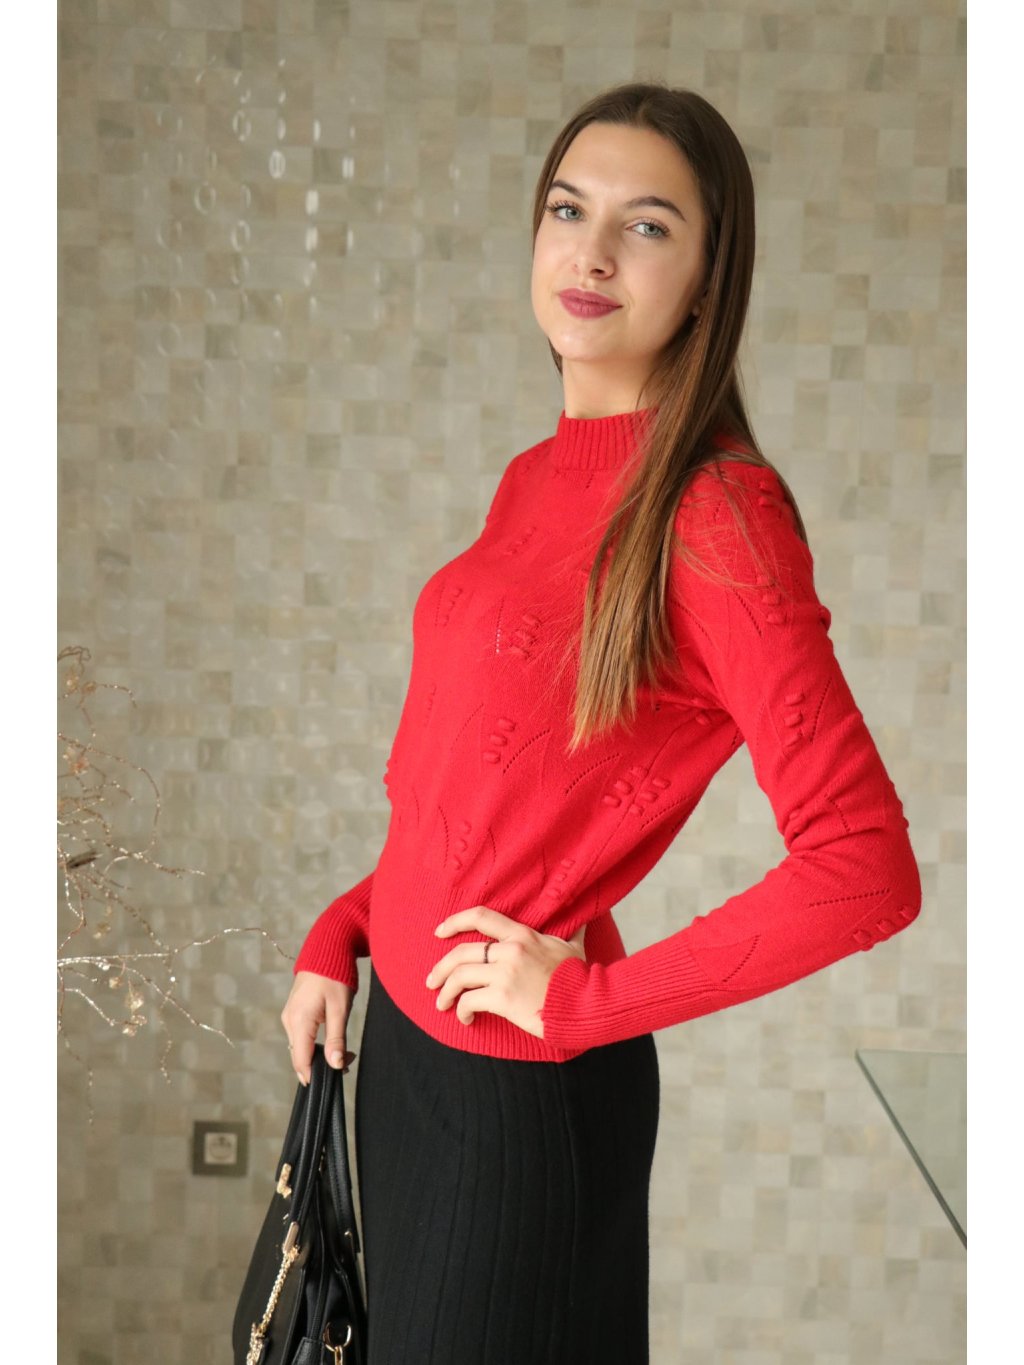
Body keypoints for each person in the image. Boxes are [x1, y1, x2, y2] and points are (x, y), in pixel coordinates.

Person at [280, 81, 922, 1364]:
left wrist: (586, 1004)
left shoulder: (716, 514)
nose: (591, 253)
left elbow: (865, 869)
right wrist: (346, 926)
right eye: (569, 211)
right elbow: (486, 805)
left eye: (647, 226)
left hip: (519, 1101)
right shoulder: (533, 477)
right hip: (406, 1048)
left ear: (707, 281)